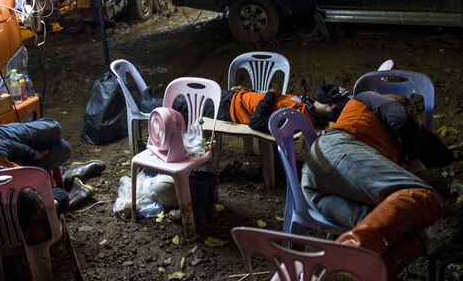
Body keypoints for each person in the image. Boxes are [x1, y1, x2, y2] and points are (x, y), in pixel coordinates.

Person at [301, 91, 454, 277]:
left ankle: (358, 274)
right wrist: (410, 144)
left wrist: (415, 135)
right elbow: (402, 119)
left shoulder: (389, 134)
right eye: (410, 109)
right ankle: (338, 269)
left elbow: (443, 156)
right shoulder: (369, 98)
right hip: (339, 151)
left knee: (414, 238)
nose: (411, 114)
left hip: (319, 187)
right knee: (424, 197)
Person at [0, 118, 94, 247]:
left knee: (53, 133)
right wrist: (53, 203)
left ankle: (71, 189)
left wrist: (33, 153)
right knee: (61, 145)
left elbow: (9, 145)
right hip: (12, 172)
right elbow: (58, 196)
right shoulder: (31, 215)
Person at [169, 84, 351, 133]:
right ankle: (152, 104)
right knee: (184, 101)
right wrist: (250, 91)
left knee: (178, 101)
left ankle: (147, 105)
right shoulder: (309, 106)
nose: (317, 97)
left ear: (331, 105)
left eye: (323, 98)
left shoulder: (299, 118)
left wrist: (270, 94)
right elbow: (273, 103)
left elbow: (256, 122)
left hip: (229, 108)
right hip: (235, 98)